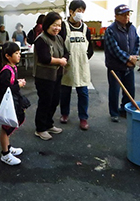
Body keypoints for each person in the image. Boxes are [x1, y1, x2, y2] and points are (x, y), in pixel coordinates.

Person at [59, 0, 94, 130]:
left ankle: (83, 118)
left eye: (82, 11)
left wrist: (83, 58)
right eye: (78, 11)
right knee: (65, 91)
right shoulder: (63, 26)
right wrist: (65, 59)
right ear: (71, 12)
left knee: (83, 92)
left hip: (82, 65)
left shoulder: (85, 28)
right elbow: (60, 46)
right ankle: (64, 114)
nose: (80, 14)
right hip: (67, 65)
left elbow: (90, 49)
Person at [34, 12, 69, 141]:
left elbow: (66, 52)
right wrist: (60, 61)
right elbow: (45, 58)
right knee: (45, 101)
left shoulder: (59, 38)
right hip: (44, 76)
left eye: (59, 25)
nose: (57, 28)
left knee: (54, 101)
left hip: (57, 75)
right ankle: (40, 128)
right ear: (47, 25)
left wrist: (64, 58)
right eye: (54, 25)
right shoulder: (41, 39)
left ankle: (48, 124)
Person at [104, 4, 140, 122]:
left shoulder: (132, 28)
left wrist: (134, 57)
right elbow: (114, 50)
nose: (126, 17)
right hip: (115, 66)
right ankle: (114, 113)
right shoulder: (110, 30)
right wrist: (128, 59)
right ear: (116, 16)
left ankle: (125, 110)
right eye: (123, 15)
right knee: (114, 90)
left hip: (129, 66)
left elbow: (137, 43)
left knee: (130, 90)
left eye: (128, 14)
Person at [0, 42, 27, 165]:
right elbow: (5, 90)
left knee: (10, 126)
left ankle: (8, 147)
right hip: (6, 105)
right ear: (8, 56)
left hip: (13, 103)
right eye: (16, 53)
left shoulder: (13, 68)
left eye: (19, 53)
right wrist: (17, 85)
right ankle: (5, 154)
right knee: (6, 128)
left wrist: (17, 83)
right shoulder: (6, 71)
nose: (19, 55)